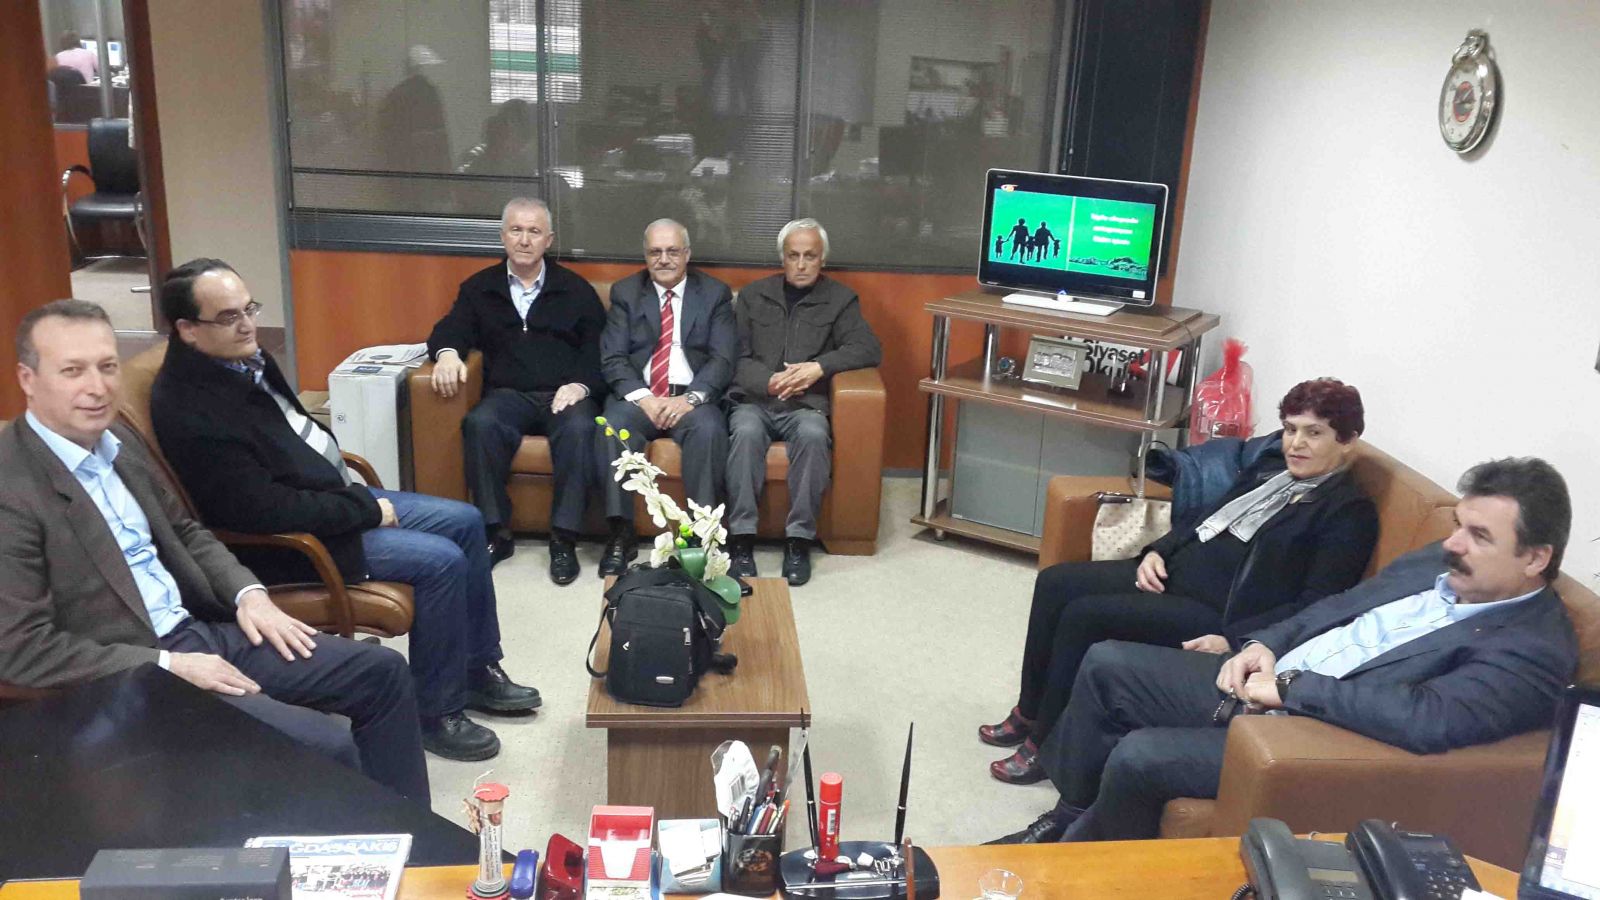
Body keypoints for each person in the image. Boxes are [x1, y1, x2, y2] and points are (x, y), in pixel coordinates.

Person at [992, 456, 1580, 844]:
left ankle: (1085, 864)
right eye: (1458, 525)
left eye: (1479, 536)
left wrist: (1294, 689)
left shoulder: (1533, 649)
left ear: (1535, 558)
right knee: (1107, 663)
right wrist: (1264, 644)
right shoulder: (1437, 562)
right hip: (1270, 675)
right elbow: (1340, 604)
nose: (1453, 544)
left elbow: (1427, 719)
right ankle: (1068, 818)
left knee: (1141, 755)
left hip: (1307, 726)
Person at [0, 300, 429, 801]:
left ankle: (413, 838)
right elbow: (21, 650)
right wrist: (168, 665)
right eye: (72, 371)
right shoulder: (13, 488)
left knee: (382, 674)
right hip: (128, 674)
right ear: (28, 379)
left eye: (107, 366)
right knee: (321, 745)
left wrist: (250, 595)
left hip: (195, 630)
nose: (97, 387)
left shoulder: (114, 439)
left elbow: (186, 531)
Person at [150, 259, 540, 763]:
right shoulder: (191, 407)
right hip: (294, 543)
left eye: (249, 309)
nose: (247, 325)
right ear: (187, 329)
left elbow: (294, 440)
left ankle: (475, 670)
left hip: (331, 500)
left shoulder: (244, 360)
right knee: (440, 561)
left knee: (465, 522)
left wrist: (350, 495)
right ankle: (435, 712)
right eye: (228, 317)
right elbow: (261, 510)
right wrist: (364, 509)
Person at [981, 379, 1378, 785]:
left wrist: (1237, 640)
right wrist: (1157, 551)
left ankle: (1045, 746)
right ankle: (1029, 712)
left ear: (1348, 441)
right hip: (1173, 573)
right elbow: (1203, 519)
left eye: (1314, 433)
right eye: (1291, 429)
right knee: (1055, 583)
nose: (1296, 443)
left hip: (1217, 612)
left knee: (1084, 616)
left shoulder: (1348, 513)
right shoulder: (1271, 470)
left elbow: (1316, 605)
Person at [427, 197, 606, 585]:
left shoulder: (576, 290)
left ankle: (564, 539)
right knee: (479, 424)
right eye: (516, 230)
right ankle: (497, 532)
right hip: (508, 394)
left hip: (564, 394)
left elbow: (598, 349)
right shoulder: (479, 288)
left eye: (534, 231)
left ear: (549, 240)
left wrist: (580, 385)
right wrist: (447, 354)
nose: (525, 240)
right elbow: (451, 328)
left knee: (580, 429)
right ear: (503, 236)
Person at [723, 218, 882, 585]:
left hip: (806, 405)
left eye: (810, 256)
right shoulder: (753, 296)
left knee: (813, 435)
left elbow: (867, 348)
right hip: (755, 401)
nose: (801, 264)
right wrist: (768, 381)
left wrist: (818, 367)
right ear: (782, 258)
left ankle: (798, 540)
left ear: (822, 259)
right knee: (745, 432)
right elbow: (734, 357)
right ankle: (741, 538)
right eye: (793, 256)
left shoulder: (840, 300)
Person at [595, 219, 737, 576]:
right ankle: (620, 533)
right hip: (641, 398)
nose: (663, 259)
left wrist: (690, 399)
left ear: (687, 254)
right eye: (655, 252)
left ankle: (701, 536)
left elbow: (723, 358)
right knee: (611, 426)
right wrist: (644, 398)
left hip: (691, 399)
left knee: (709, 430)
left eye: (672, 251)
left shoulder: (715, 293)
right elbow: (613, 357)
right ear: (645, 256)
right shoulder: (626, 293)